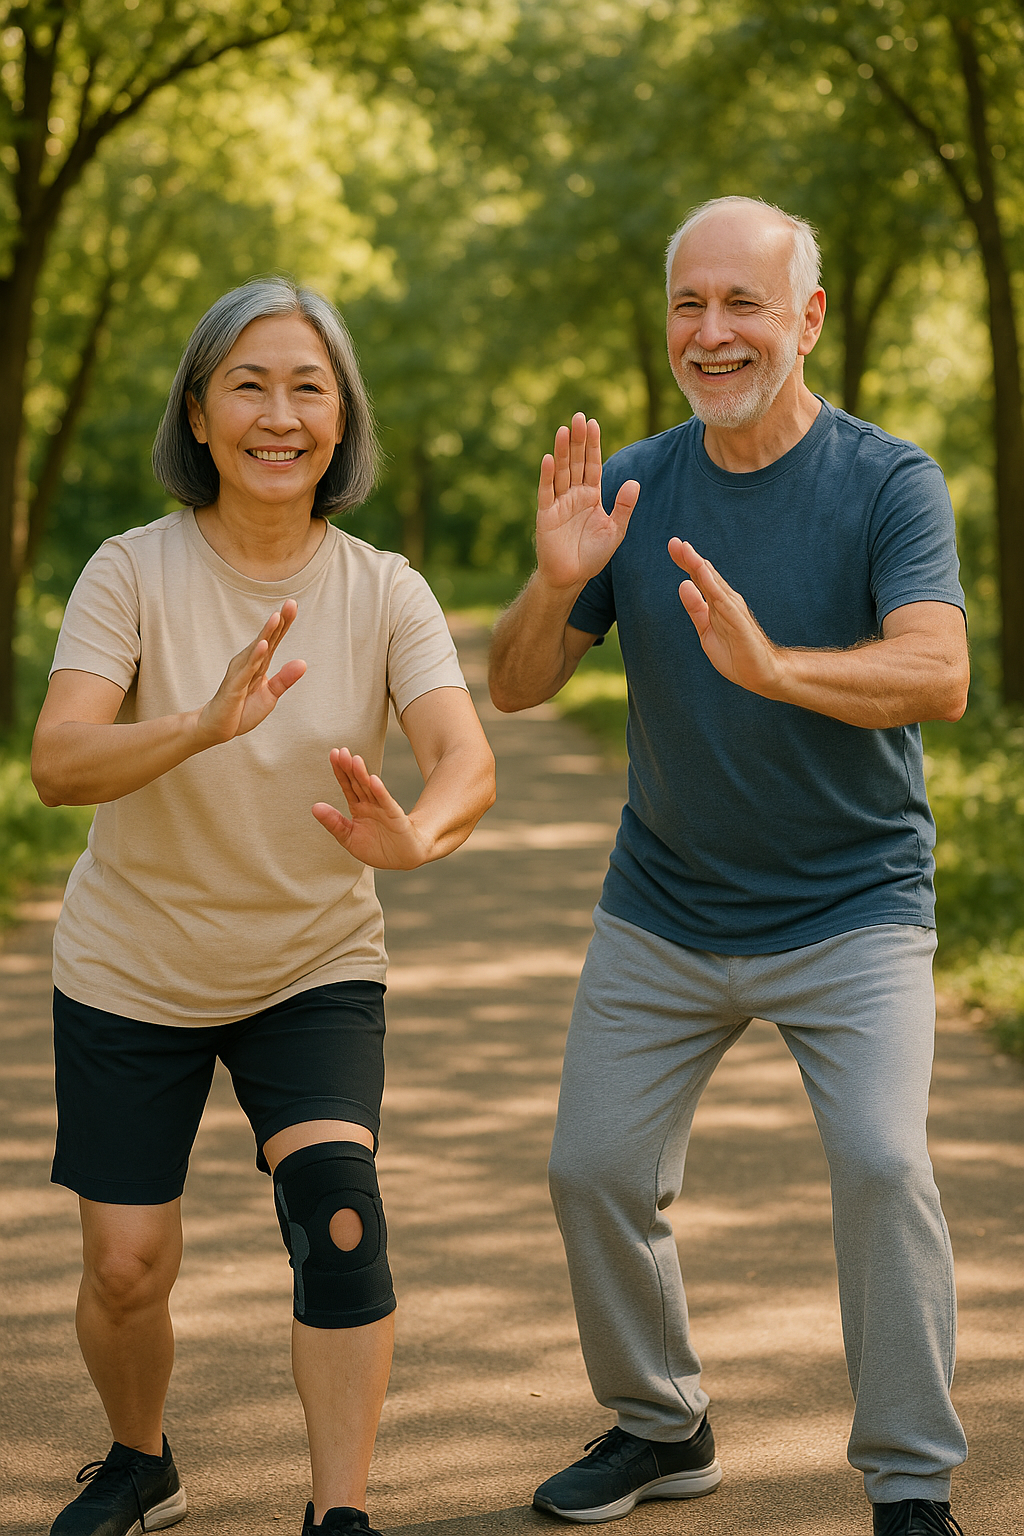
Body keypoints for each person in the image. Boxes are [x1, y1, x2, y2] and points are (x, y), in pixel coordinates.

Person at [488, 196, 970, 1536]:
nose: (712, 332)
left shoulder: (888, 481)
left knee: (882, 1163)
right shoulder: (633, 485)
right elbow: (519, 687)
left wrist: (777, 671)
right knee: (590, 1170)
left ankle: (913, 1479)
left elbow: (941, 670)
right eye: (689, 305)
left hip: (854, 905)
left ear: (805, 319)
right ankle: (662, 1423)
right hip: (669, 903)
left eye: (743, 303)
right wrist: (551, 577)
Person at [32, 278, 495, 1536]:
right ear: (199, 409)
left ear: (340, 422)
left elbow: (465, 759)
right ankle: (141, 1460)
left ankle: (337, 1512)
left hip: (311, 961)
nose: (278, 414)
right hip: (133, 964)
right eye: (248, 382)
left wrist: (419, 838)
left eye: (307, 387)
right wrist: (194, 725)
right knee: (127, 1269)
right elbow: (58, 762)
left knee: (341, 1223)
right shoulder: (130, 570)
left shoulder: (384, 589)